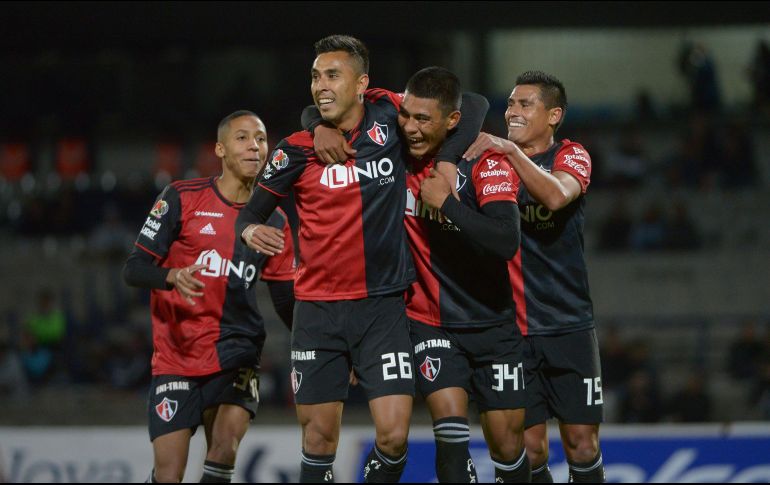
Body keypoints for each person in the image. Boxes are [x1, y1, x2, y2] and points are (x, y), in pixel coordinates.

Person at [237, 35, 486, 483]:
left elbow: (472, 104)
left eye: (333, 75)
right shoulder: (295, 149)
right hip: (317, 312)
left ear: (362, 84)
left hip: (383, 308)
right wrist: (252, 229)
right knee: (317, 443)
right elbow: (249, 215)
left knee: (394, 439)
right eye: (315, 76)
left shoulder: (391, 115)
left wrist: (447, 159)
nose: (321, 85)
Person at [122, 110, 294, 483]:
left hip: (238, 349)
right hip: (177, 355)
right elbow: (133, 269)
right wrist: (170, 276)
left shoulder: (276, 221)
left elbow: (284, 299)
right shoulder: (182, 198)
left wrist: (323, 347)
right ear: (220, 149)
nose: (254, 147)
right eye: (243, 138)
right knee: (169, 473)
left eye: (261, 139)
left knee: (224, 450)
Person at [463, 71, 605, 483]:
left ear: (554, 114)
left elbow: (557, 195)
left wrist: (510, 151)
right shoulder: (488, 165)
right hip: (511, 330)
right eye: (510, 103)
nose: (512, 112)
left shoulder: (572, 156)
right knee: (530, 447)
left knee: (582, 443)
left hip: (570, 326)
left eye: (525, 104)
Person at [400, 67, 529, 482]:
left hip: (492, 324)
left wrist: (448, 205)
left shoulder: (485, 162)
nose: (411, 128)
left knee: (508, 447)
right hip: (431, 322)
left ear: (451, 121)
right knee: (451, 443)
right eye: (406, 116)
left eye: (423, 120)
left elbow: (506, 240)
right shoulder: (395, 155)